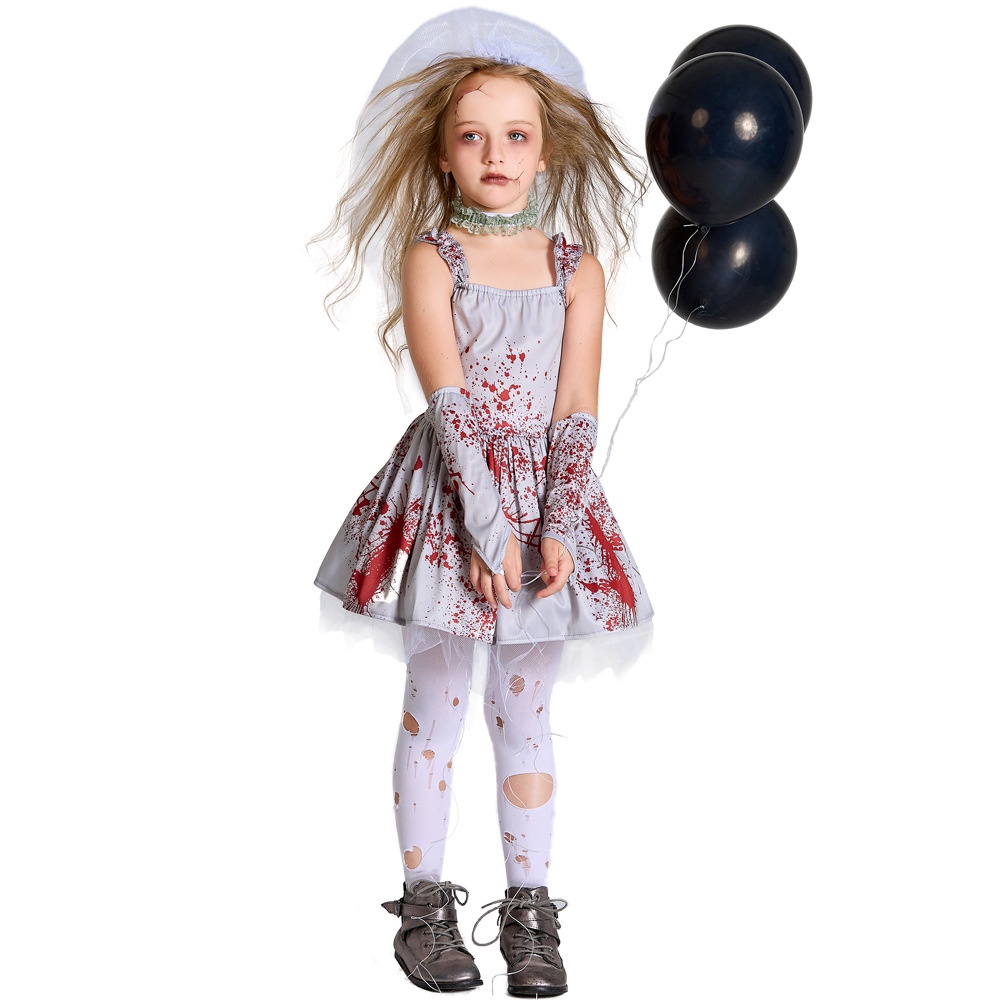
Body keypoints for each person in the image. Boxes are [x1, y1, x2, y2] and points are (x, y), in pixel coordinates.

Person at [312, 9, 653, 995]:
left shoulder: (575, 267)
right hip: (450, 502)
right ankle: (423, 907)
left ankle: (531, 914)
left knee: (526, 708)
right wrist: (486, 526)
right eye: (473, 136)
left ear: (546, 152)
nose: (495, 155)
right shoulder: (435, 256)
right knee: (438, 703)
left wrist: (557, 520)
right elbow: (450, 402)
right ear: (442, 152)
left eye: (515, 135)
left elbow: (577, 402)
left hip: (548, 501)